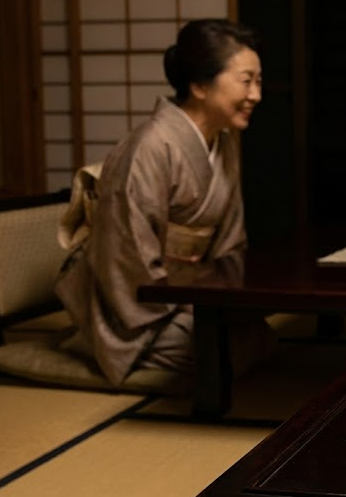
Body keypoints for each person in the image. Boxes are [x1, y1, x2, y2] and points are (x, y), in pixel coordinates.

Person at [55, 19, 264, 386]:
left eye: (258, 82)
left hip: (191, 295)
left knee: (253, 337)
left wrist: (219, 297)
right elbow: (126, 255)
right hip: (138, 305)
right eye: (246, 81)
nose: (256, 95)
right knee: (215, 349)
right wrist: (189, 301)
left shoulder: (224, 142)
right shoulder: (150, 147)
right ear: (199, 85)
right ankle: (97, 342)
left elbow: (230, 243)